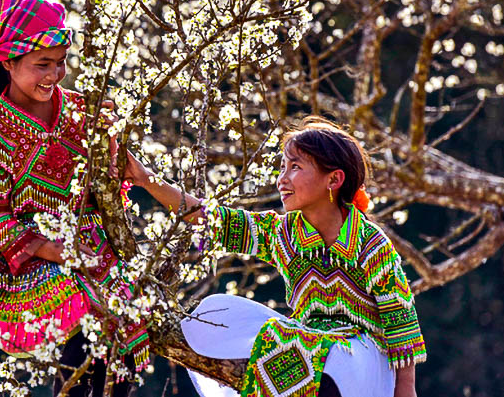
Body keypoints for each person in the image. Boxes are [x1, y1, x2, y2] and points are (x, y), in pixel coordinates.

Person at [124, 116, 426, 397]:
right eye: (282, 167)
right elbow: (210, 219)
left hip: (363, 362)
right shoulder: (282, 233)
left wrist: (405, 392)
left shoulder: (371, 244)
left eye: (295, 167)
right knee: (208, 316)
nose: (282, 179)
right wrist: (145, 178)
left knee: (329, 357)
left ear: (333, 180)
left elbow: (401, 323)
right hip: (308, 344)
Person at [0, 0, 149, 397]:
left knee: (124, 351)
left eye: (59, 62)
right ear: (8, 62)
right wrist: (54, 249)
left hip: (97, 244)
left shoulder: (81, 108)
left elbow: (108, 182)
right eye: (41, 64)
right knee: (81, 333)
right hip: (36, 257)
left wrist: (112, 147)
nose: (54, 74)